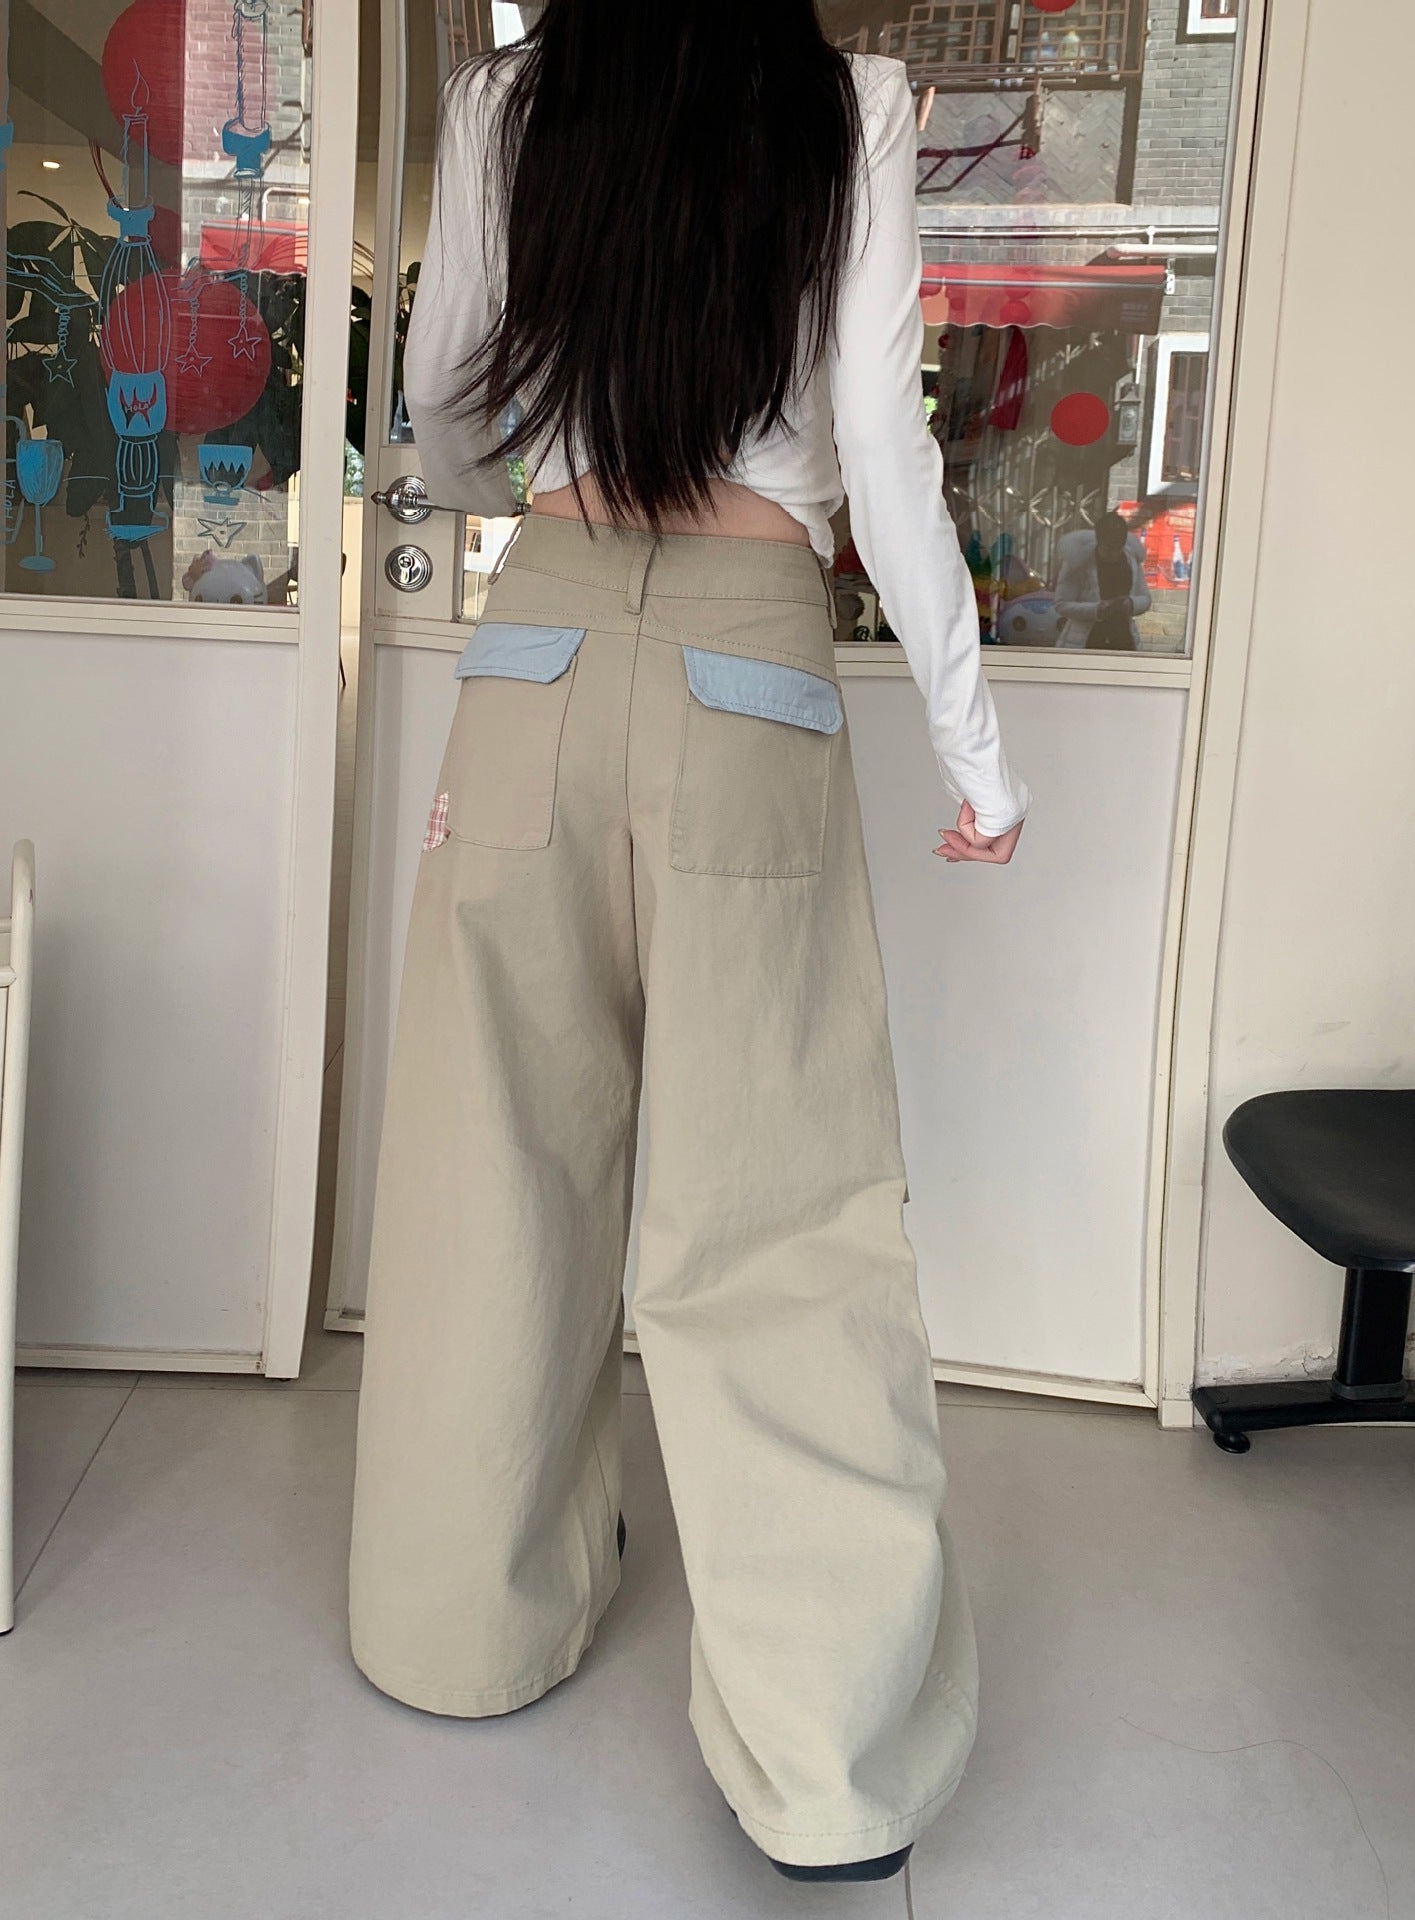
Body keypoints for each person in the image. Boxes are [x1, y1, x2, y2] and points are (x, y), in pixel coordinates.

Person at [346, 0, 1030, 1887]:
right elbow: (877, 440)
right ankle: (822, 1767)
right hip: (749, 656)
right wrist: (973, 751)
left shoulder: (509, 98)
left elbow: (445, 400)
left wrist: (501, 503)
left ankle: (454, 1629)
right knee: (775, 1209)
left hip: (537, 641)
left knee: (491, 1166)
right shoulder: (845, 100)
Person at [1053, 508, 1152, 650]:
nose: (1114, 555)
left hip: (1123, 638)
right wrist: (1096, 609)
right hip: (1085, 640)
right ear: (1098, 542)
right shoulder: (1079, 563)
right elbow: (1061, 604)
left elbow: (1145, 598)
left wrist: (1130, 603)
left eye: (1118, 549)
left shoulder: (1131, 560)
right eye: (1108, 550)